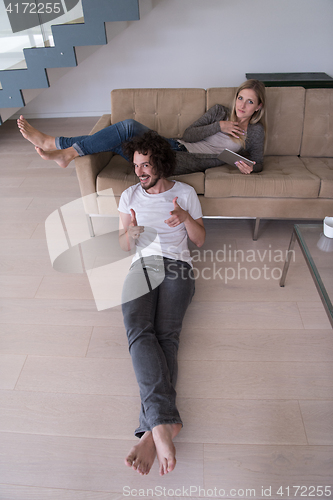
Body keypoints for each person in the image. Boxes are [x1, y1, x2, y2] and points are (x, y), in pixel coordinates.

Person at [118, 130, 205, 477]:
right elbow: (124, 244)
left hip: (178, 266)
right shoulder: (128, 196)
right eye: (136, 164)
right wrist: (131, 235)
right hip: (142, 265)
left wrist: (185, 218)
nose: (140, 171)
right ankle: (162, 426)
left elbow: (199, 240)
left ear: (161, 163)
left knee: (166, 336)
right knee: (139, 330)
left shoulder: (184, 193)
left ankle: (153, 431)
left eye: (147, 164)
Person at [17, 79, 266, 175]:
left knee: (122, 134)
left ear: (258, 106)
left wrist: (250, 168)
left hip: (185, 160)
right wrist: (218, 126)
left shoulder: (255, 132)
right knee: (125, 129)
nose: (243, 104)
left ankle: (60, 146)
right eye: (241, 98)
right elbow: (189, 134)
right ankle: (64, 150)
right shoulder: (220, 112)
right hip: (176, 145)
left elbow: (259, 161)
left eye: (250, 101)